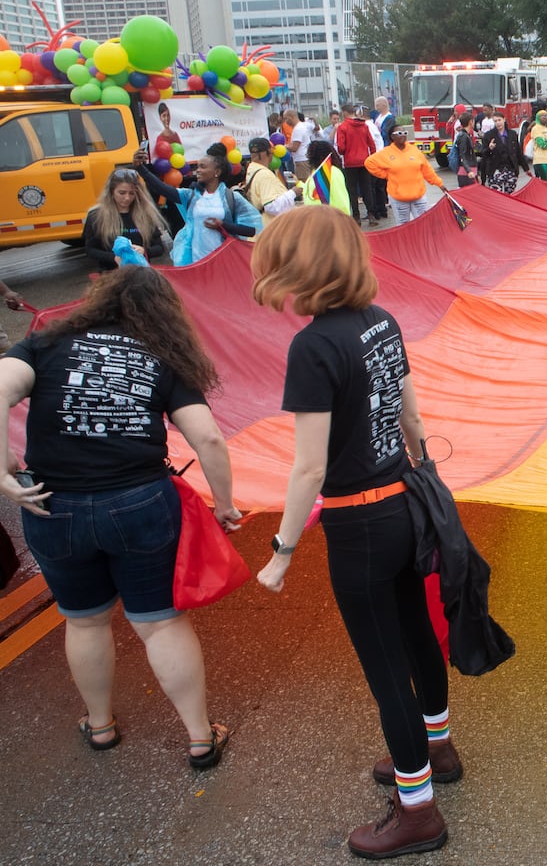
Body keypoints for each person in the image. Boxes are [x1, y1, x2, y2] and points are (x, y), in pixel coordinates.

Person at [252, 205, 457, 859]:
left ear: (301, 264)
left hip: (359, 524)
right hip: (401, 503)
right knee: (417, 634)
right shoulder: (381, 321)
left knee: (384, 670)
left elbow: (309, 465)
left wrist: (281, 553)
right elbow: (409, 411)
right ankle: (439, 746)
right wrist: (417, 459)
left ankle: (417, 810)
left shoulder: (312, 346)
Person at [0, 267, 240, 768]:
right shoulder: (163, 358)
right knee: (159, 624)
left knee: (84, 622)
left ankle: (101, 725)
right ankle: (199, 737)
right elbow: (209, 439)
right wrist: (225, 505)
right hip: (141, 503)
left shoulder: (47, 345)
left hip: (51, 505)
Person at [140, 152, 262, 266]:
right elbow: (162, 188)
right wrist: (141, 169)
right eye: (197, 167)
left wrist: (223, 225)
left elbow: (250, 230)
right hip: (196, 262)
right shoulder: (191, 195)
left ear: (217, 172)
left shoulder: (232, 197)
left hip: (224, 263)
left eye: (203, 167)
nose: (197, 170)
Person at [82, 168, 170, 271]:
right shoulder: (96, 216)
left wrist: (144, 251)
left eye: (131, 193)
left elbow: (159, 248)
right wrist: (114, 258)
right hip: (111, 274)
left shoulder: (146, 215)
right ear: (111, 192)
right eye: (122, 193)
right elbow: (90, 250)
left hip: (141, 274)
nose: (127, 198)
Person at [366, 126, 443, 225]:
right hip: (399, 199)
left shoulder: (415, 151)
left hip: (418, 196)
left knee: (424, 224)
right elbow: (369, 163)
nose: (402, 135)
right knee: (403, 227)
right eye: (399, 133)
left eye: (405, 133)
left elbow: (427, 170)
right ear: (392, 137)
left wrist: (439, 183)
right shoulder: (386, 153)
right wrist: (386, 175)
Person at [336, 102, 381, 223]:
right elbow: (372, 144)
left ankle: (356, 217)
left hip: (350, 163)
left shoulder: (342, 127)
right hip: (364, 161)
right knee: (367, 188)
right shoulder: (364, 126)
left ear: (345, 113)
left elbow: (341, 148)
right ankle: (371, 214)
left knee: (352, 190)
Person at [242, 138, 302, 218]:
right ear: (264, 153)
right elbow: (272, 207)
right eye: (271, 151)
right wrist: (293, 192)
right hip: (273, 225)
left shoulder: (251, 169)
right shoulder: (264, 175)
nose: (273, 154)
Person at [302, 140, 354, 216]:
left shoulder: (333, 172)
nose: (307, 156)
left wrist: (343, 219)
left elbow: (340, 198)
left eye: (309, 153)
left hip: (331, 219)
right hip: (314, 219)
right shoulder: (315, 172)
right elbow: (313, 192)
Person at [480, 120, 524, 193]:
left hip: (510, 170)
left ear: (504, 119)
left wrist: (526, 168)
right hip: (495, 170)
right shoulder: (488, 136)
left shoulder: (512, 134)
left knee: (510, 196)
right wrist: (489, 148)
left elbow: (518, 152)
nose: (498, 122)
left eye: (499, 120)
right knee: (496, 196)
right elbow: (484, 156)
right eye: (495, 121)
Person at [525, 114, 547, 182]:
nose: (545, 118)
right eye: (543, 116)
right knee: (544, 180)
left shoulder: (546, 129)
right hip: (539, 160)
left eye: (546, 116)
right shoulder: (535, 130)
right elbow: (542, 145)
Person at [451, 113, 478, 189]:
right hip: (466, 172)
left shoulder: (465, 135)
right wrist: (469, 170)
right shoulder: (463, 136)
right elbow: (462, 155)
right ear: (470, 122)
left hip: (469, 171)